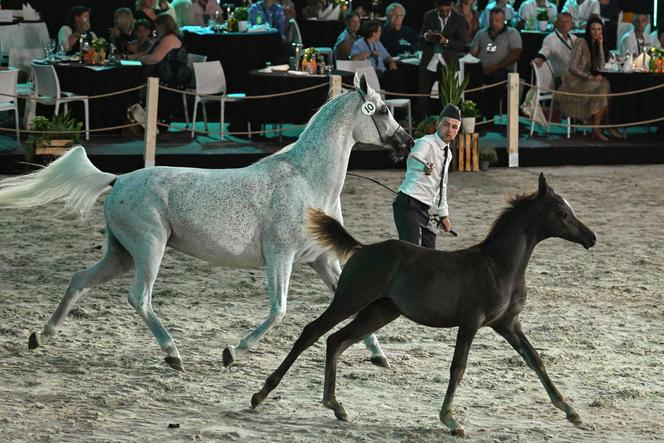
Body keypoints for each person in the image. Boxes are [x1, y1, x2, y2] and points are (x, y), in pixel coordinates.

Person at [393, 104, 461, 249]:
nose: (450, 130)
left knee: (430, 254)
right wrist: (424, 165)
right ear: (438, 124)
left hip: (424, 210)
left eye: (455, 127)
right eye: (446, 124)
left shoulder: (447, 153)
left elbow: (441, 185)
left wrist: (443, 215)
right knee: (412, 254)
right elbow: (413, 157)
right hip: (408, 204)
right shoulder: (426, 142)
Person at [556, 15, 624, 141]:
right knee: (604, 85)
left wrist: (601, 46)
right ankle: (605, 125)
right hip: (574, 82)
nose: (596, 32)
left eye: (599, 29)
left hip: (587, 82)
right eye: (593, 29)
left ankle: (597, 127)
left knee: (604, 85)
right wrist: (589, 77)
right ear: (589, 30)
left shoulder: (597, 44)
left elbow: (602, 67)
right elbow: (572, 67)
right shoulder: (581, 42)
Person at [416, 0, 467, 121]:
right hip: (429, 62)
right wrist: (426, 37)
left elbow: (461, 45)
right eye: (441, 11)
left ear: (452, 5)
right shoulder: (429, 16)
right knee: (422, 99)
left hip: (448, 64)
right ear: (436, 6)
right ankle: (419, 128)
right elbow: (419, 39)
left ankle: (448, 129)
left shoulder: (459, 19)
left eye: (447, 10)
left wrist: (446, 42)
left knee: (447, 100)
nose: (444, 13)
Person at [470, 7, 522, 119]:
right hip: (483, 69)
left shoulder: (512, 33)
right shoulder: (481, 34)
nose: (494, 23)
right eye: (491, 20)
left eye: (497, 20)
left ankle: (489, 115)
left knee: (497, 79)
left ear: (503, 20)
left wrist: (497, 66)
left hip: (502, 70)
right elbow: (473, 52)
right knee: (472, 78)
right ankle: (473, 113)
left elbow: (516, 53)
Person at [137, 13, 191, 122]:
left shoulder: (170, 38)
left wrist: (139, 60)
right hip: (165, 75)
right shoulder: (163, 38)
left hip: (172, 78)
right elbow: (148, 53)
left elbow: (155, 58)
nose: (155, 29)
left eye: (157, 26)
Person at [532, 12, 577, 80]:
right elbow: (545, 51)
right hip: (558, 78)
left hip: (574, 76)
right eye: (561, 22)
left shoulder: (574, 38)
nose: (564, 24)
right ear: (555, 23)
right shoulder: (550, 38)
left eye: (567, 22)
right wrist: (539, 59)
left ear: (571, 24)